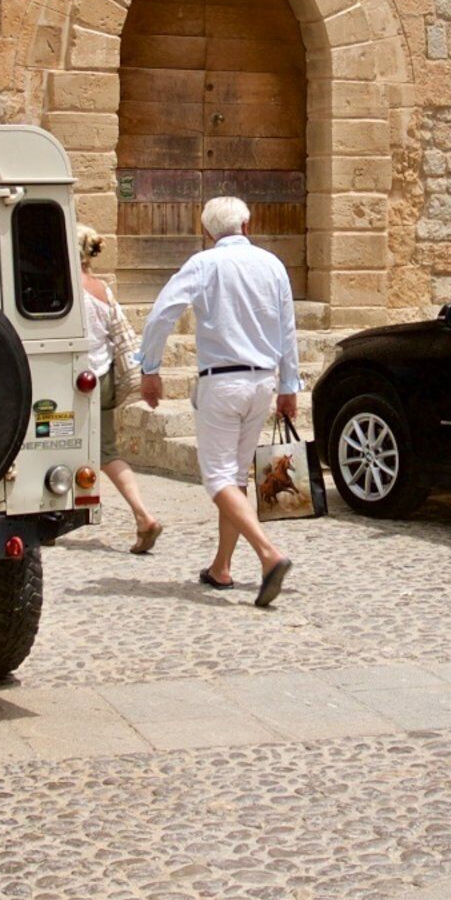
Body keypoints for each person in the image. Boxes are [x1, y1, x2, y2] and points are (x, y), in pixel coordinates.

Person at [136, 195, 300, 606]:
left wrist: (150, 367)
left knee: (218, 479)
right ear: (248, 225)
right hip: (262, 382)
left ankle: (268, 553)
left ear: (207, 231)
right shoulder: (273, 265)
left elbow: (161, 314)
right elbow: (287, 329)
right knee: (236, 477)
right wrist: (289, 385)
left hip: (222, 383)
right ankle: (221, 567)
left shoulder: (203, 264)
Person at [73, 226, 164, 555]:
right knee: (104, 450)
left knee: (85, 450)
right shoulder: (102, 289)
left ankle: (143, 515)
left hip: (77, 381)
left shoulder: (68, 290)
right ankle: (138, 514)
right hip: (106, 376)